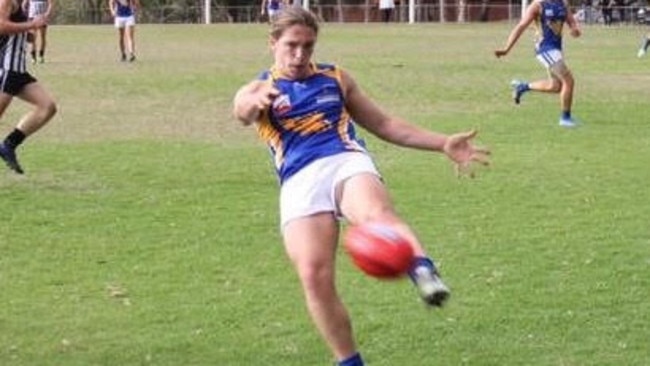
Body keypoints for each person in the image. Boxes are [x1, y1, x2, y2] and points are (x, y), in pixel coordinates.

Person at [232, 7, 490, 366]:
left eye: (308, 46)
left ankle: (423, 271)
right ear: (272, 42)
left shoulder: (335, 78)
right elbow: (241, 110)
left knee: (374, 213)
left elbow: (384, 124)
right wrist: (252, 104)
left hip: (344, 160)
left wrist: (442, 142)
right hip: (298, 179)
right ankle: (350, 362)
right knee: (312, 274)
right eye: (291, 45)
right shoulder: (259, 87)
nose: (300, 54)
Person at [495, 0, 582, 128]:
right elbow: (521, 26)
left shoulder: (563, 3)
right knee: (568, 81)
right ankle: (565, 119)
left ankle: (523, 87)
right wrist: (507, 49)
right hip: (544, 49)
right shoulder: (538, 5)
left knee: (556, 86)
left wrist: (575, 29)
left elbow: (571, 21)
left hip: (556, 50)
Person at [0, 0, 57, 174]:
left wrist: (27, 35)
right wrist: (31, 24)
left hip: (19, 72)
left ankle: (8, 145)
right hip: (8, 70)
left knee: (48, 107)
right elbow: (1, 26)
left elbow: (13, 29)